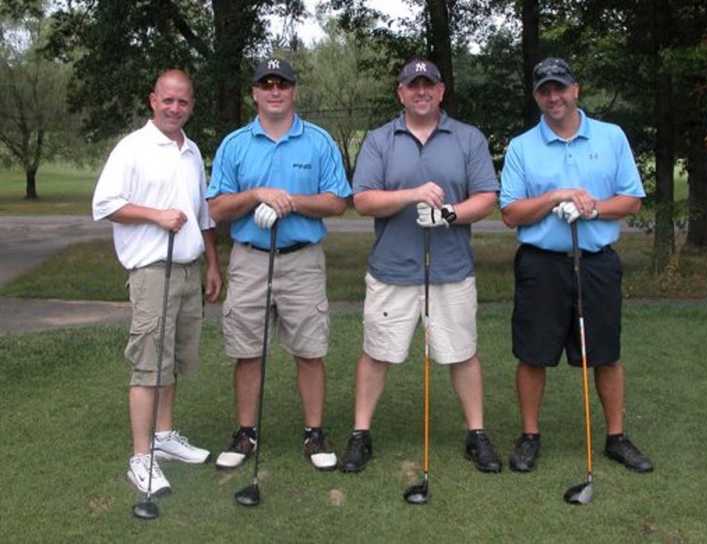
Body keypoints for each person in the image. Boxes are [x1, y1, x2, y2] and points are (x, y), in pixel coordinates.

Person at [339, 58, 502, 474]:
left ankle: (477, 434)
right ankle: (360, 433)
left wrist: (450, 214)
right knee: (377, 353)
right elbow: (363, 200)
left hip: (450, 268)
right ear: (401, 92)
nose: (421, 91)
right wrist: (412, 195)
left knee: (462, 354)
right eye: (413, 85)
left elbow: (486, 196)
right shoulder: (380, 140)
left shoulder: (467, 138)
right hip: (392, 269)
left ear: (441, 91)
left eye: (429, 84)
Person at [500, 57, 653, 473]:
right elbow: (511, 213)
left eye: (560, 88)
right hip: (541, 264)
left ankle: (616, 437)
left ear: (575, 89)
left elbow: (632, 199)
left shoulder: (611, 136)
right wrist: (555, 197)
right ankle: (530, 436)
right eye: (545, 90)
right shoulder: (521, 146)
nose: (554, 97)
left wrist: (591, 209)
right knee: (533, 354)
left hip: (597, 262)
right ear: (536, 96)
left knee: (606, 354)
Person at [207, 58, 350, 472]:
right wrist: (256, 196)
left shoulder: (318, 141)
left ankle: (315, 433)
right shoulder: (235, 144)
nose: (274, 91)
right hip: (249, 261)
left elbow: (338, 201)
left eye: (282, 84)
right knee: (247, 351)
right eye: (266, 84)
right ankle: (246, 433)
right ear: (253, 92)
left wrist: (290, 202)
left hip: (302, 260)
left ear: (293, 91)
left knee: (309, 350)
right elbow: (216, 208)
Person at [92, 69, 223, 496]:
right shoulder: (132, 148)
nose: (175, 108)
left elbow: (202, 214)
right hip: (152, 271)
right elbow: (106, 204)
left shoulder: (191, 150)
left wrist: (213, 265)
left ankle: (164, 437)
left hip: (188, 269)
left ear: (191, 105)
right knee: (149, 363)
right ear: (153, 100)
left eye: (183, 101)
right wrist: (156, 214)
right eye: (168, 100)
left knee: (172, 361)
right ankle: (141, 457)